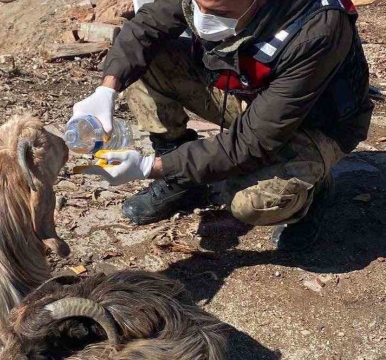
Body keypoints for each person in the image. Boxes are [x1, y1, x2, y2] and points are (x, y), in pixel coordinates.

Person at [73, 0, 373, 251]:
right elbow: (144, 28)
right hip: (248, 92)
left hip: (314, 123)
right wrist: (107, 90)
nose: (204, 20)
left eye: (222, 14)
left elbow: (251, 143)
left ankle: (311, 192)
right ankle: (184, 184)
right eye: (199, 6)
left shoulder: (317, 28)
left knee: (251, 203)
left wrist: (149, 166)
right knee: (150, 59)